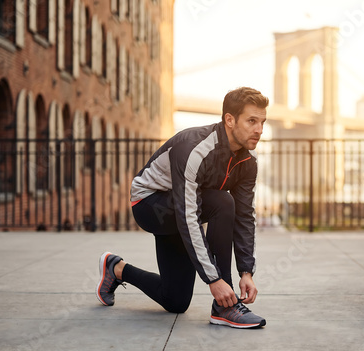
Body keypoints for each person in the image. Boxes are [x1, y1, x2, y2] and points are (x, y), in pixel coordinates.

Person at [96, 87, 269, 328]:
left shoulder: (248, 161)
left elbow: (245, 217)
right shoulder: (194, 149)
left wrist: (246, 272)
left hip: (183, 207)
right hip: (150, 204)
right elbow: (189, 216)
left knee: (175, 301)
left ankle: (117, 269)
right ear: (229, 120)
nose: (259, 130)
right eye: (252, 121)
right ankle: (225, 307)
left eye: (262, 122)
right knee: (222, 202)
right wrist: (216, 280)